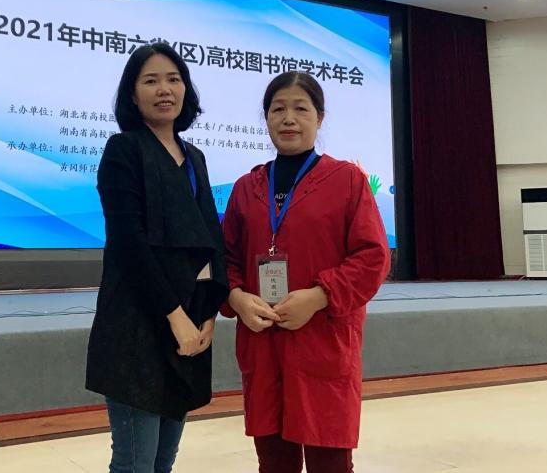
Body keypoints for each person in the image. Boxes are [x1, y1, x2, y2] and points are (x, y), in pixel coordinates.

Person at [221, 71, 390, 473]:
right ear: (266, 117)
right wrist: (236, 297)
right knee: (273, 462)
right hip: (263, 340)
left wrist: (319, 296)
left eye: (301, 109)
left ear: (320, 117)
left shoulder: (347, 180)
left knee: (329, 459)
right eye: (278, 109)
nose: (288, 119)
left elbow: (373, 256)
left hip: (322, 338)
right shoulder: (247, 187)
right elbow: (225, 257)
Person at [85, 43, 229, 473]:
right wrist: (175, 316)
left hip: (188, 324)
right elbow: (128, 244)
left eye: (173, 79)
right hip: (138, 326)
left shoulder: (195, 157)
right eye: (150, 81)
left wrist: (208, 313)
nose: (164, 89)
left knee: (163, 461)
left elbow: (210, 238)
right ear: (133, 95)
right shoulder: (124, 149)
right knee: (135, 463)